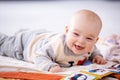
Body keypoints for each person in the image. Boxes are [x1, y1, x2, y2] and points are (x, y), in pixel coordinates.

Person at [0, 9, 106, 73]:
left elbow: (94, 50)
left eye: (89, 38)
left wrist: (97, 56)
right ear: (67, 31)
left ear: (95, 40)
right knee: (5, 44)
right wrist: (50, 66)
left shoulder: (91, 47)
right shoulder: (57, 46)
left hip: (44, 36)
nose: (81, 41)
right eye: (76, 34)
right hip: (26, 45)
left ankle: (23, 31)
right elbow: (39, 55)